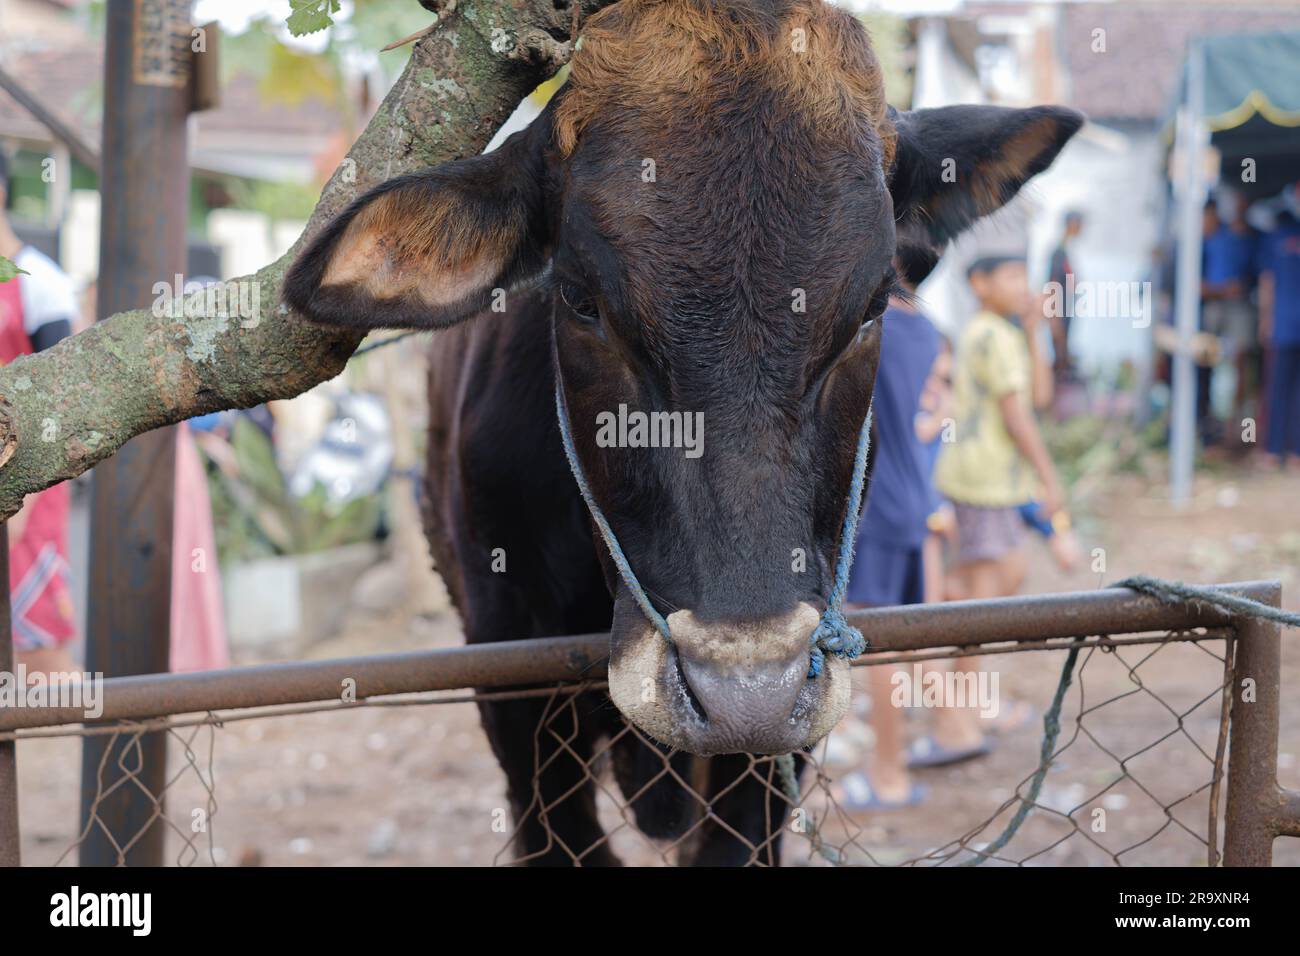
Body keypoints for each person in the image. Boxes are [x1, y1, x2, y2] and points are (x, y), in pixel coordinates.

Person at [928, 254, 1068, 758]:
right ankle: (961, 715)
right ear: (979, 284)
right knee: (983, 602)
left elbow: (1039, 398)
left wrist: (1035, 331)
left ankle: (969, 701)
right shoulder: (986, 333)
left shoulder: (1007, 334)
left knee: (990, 589)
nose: (1021, 284)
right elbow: (1018, 418)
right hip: (980, 483)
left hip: (997, 486)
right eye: (1009, 275)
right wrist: (1051, 480)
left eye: (1021, 274)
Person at [836, 248, 941, 811]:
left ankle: (888, 773)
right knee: (896, 638)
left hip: (876, 502)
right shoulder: (929, 329)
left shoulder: (877, 330)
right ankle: (896, 755)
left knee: (875, 645)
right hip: (914, 500)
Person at [0, 151, 79, 676]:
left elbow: (61, 402)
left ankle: (122, 748)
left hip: (26, 489)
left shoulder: (41, 282)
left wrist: (21, 494)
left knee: (41, 653)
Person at [1201, 198, 1259, 448]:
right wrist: (1222, 291)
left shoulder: (1250, 239)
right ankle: (1210, 428)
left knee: (1239, 365)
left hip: (1238, 308)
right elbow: (1198, 284)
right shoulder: (1213, 239)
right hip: (1216, 307)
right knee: (1205, 363)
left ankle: (1234, 430)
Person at [1258, 186, 1300, 468]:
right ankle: (1288, 452)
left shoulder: (1275, 238)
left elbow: (1266, 283)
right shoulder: (1277, 236)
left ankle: (1277, 452)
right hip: (1284, 325)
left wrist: (1265, 321)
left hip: (1282, 326)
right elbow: (1267, 283)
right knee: (1285, 389)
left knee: (1279, 389)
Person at [1046, 210, 1083, 386]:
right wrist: (1053, 317)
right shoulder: (1058, 252)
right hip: (1059, 312)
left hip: (1066, 311)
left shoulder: (1067, 250)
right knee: (1059, 355)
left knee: (1064, 355)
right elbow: (1053, 283)